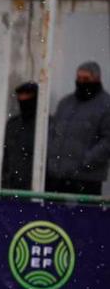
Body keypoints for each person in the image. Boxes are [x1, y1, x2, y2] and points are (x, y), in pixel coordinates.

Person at [46, 61, 110, 195]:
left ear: (97, 79)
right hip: (56, 178)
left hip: (85, 181)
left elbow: (107, 142)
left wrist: (85, 162)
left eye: (86, 79)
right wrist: (51, 161)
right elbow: (53, 132)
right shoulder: (66, 103)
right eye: (79, 78)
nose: (81, 82)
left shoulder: (105, 105)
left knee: (81, 215)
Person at [1, 81, 38, 190]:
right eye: (21, 96)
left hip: (32, 187)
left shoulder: (44, 125)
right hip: (12, 185)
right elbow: (7, 157)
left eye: (27, 96)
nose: (23, 100)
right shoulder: (13, 124)